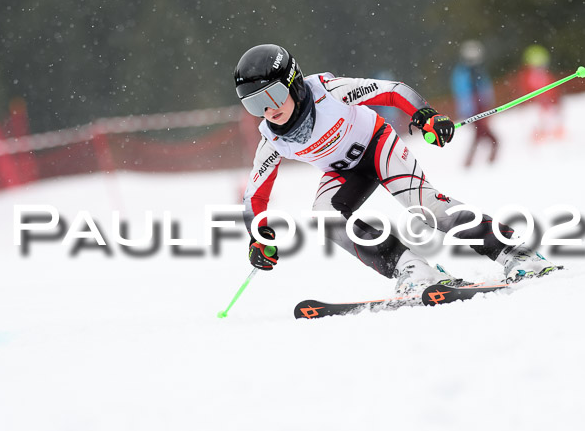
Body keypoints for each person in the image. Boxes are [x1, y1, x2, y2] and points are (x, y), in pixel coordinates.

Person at [235, 44, 558, 296]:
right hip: (343, 170)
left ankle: (517, 254)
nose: (269, 110)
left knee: (426, 208)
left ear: (293, 83)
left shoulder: (327, 91)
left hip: (378, 146)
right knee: (324, 218)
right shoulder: (272, 139)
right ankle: (414, 270)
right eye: (254, 104)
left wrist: (425, 114)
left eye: (273, 95)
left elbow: (392, 89)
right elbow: (255, 195)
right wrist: (257, 236)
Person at [451, 40, 499, 167]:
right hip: (473, 110)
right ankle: (478, 163)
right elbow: (462, 94)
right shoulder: (462, 73)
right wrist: (468, 109)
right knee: (489, 138)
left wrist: (487, 104)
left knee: (481, 137)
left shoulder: (478, 71)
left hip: (480, 108)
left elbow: (485, 89)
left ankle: (471, 163)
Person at [518, 44, 565, 143]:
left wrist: (553, 97)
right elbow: (527, 87)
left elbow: (552, 86)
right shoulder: (528, 75)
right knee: (539, 116)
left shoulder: (544, 74)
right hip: (537, 101)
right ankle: (540, 133)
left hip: (547, 100)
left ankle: (553, 131)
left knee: (551, 114)